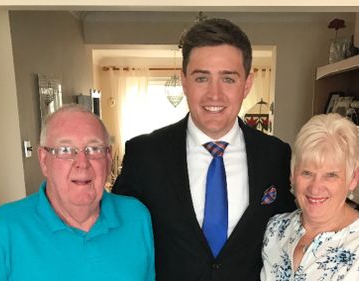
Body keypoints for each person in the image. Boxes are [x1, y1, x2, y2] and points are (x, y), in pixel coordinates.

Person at [112, 18, 296, 281]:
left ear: (247, 84)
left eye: (228, 79)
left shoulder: (275, 155)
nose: (214, 95)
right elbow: (118, 232)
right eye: (201, 78)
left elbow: (295, 228)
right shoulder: (145, 154)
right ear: (184, 81)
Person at [0, 105, 155, 281]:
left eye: (94, 149)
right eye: (65, 150)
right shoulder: (3, 228)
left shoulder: (136, 216)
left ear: (108, 159)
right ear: (44, 161)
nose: (82, 163)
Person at [261, 113, 359, 280]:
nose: (315, 188)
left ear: (353, 178)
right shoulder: (275, 230)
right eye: (307, 173)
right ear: (293, 174)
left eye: (331, 175)